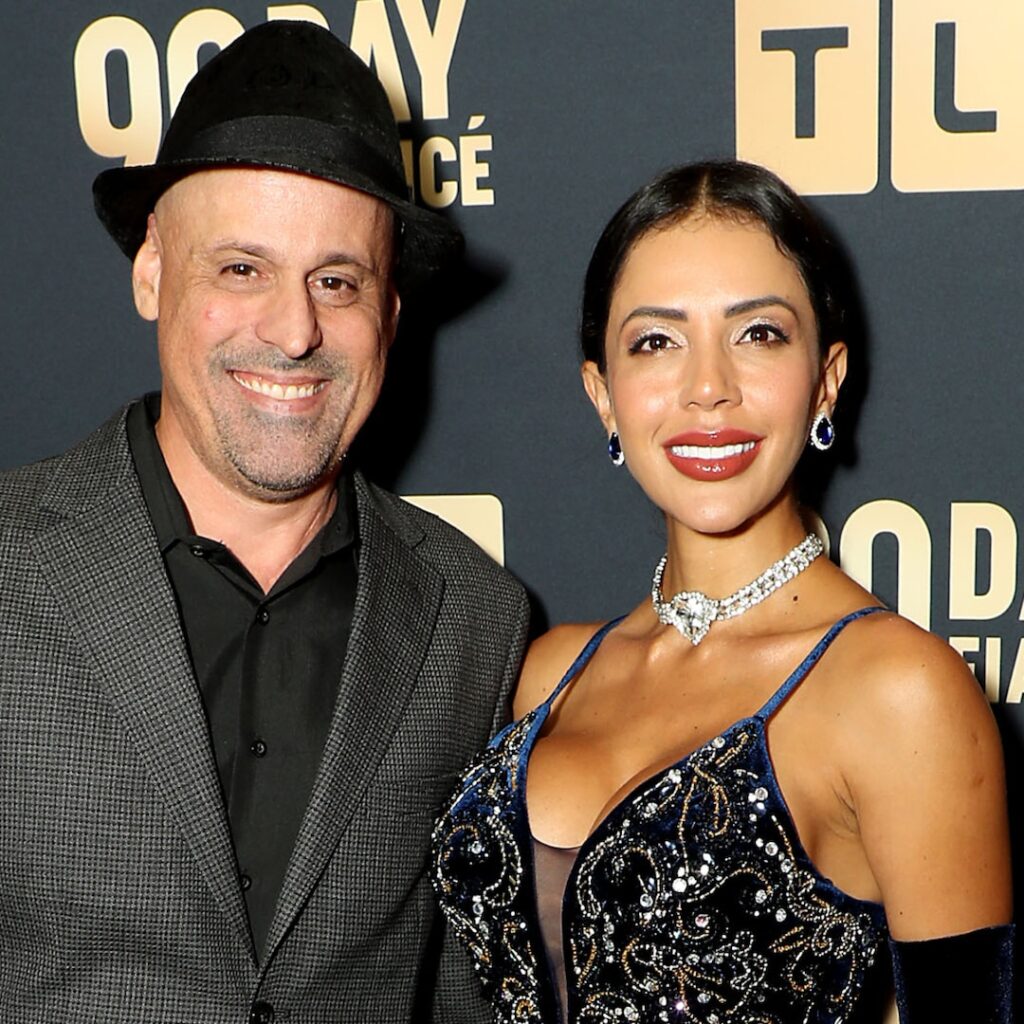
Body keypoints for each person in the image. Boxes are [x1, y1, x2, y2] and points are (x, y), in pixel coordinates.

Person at [0, 20, 528, 1023]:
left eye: (338, 281)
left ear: (391, 313)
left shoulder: (475, 620)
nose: (294, 331)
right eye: (242, 269)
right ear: (152, 272)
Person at [432, 161, 1014, 1023]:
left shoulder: (898, 691)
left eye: (759, 334)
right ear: (603, 396)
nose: (708, 387)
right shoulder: (552, 673)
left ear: (826, 379)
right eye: (656, 342)